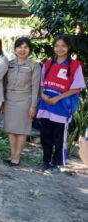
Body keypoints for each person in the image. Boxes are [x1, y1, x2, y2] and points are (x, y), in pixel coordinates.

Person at [37, 35, 85, 171]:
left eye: (63, 46)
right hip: (46, 106)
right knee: (45, 135)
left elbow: (77, 88)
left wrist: (57, 98)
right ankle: (45, 161)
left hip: (62, 107)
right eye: (57, 45)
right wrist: (42, 95)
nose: (60, 48)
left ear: (68, 47)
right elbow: (41, 83)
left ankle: (57, 163)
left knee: (59, 138)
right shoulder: (48, 63)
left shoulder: (75, 65)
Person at [3, 37, 41, 166]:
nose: (22, 50)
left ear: (29, 50)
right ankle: (12, 154)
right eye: (19, 47)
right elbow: (3, 83)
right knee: (10, 129)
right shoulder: (9, 64)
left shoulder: (34, 65)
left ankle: (17, 156)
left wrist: (33, 106)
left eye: (25, 47)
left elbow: (36, 87)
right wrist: (2, 101)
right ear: (15, 49)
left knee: (22, 130)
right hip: (9, 99)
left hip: (25, 100)